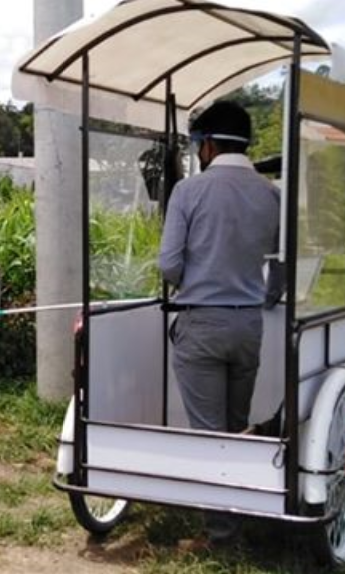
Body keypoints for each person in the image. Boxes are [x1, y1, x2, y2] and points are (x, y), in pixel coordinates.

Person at [159, 100, 281, 544]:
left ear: (207, 145)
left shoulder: (188, 193)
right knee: (237, 423)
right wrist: (265, 295)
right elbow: (282, 267)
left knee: (209, 434)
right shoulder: (271, 194)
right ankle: (243, 511)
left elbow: (169, 264)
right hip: (249, 325)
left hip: (202, 325)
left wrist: (200, 279)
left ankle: (221, 533)